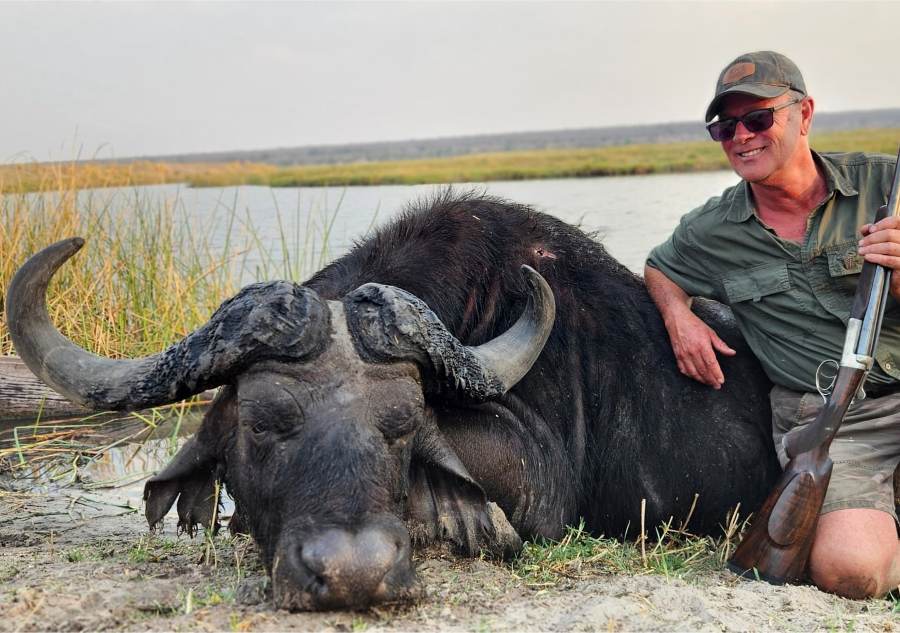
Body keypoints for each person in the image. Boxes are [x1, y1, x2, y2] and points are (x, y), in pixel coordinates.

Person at [644, 50, 900, 599]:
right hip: (833, 422)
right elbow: (659, 269)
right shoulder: (710, 230)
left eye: (758, 119)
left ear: (804, 114)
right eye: (725, 127)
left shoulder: (887, 183)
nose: (741, 136)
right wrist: (677, 316)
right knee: (851, 571)